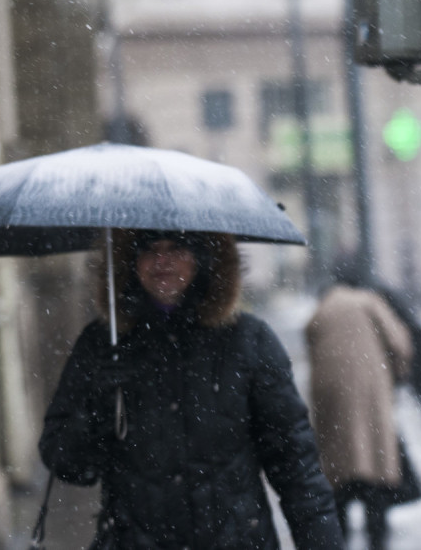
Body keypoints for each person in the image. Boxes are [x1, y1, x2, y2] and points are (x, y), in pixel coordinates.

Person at [39, 229, 345, 549]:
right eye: (148, 248)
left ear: (204, 258)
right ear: (129, 260)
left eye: (177, 248)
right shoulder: (103, 344)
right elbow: (68, 463)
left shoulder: (248, 341)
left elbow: (297, 470)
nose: (162, 261)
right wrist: (96, 406)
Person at [303, 260, 415, 550]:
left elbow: (311, 346)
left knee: (338, 474)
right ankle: (377, 539)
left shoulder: (321, 309)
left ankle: (339, 539)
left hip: (330, 401)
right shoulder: (369, 302)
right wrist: (398, 374)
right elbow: (400, 342)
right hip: (370, 397)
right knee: (373, 470)